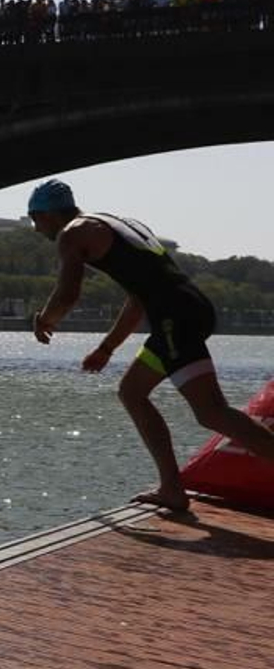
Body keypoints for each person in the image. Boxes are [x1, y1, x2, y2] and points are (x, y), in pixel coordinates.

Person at [28, 178, 274, 513]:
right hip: (186, 310)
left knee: (212, 411)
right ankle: (172, 488)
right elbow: (138, 301)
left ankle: (173, 489)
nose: (36, 229)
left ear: (49, 214)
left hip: (175, 318)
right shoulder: (116, 224)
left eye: (35, 219)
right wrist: (107, 349)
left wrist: (45, 319)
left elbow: (68, 293)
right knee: (132, 392)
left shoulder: (72, 233)